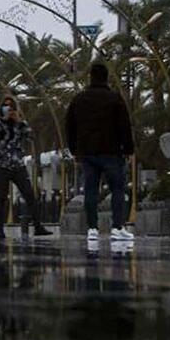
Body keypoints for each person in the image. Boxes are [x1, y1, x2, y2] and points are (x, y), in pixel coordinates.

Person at [66, 61, 134, 242]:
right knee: (118, 189)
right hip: (111, 152)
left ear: (91, 77)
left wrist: (74, 150)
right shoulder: (114, 98)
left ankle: (92, 229)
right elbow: (124, 125)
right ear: (106, 78)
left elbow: (70, 126)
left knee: (90, 191)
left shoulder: (79, 99)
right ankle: (117, 227)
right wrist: (128, 149)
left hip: (87, 154)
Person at [0, 95, 53, 239]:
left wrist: (20, 121)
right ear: (1, 108)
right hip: (1, 165)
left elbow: (31, 137)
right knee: (0, 198)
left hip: (18, 165)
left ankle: (37, 226)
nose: (9, 109)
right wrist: (2, 120)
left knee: (30, 195)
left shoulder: (20, 124)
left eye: (11, 106)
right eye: (6, 106)